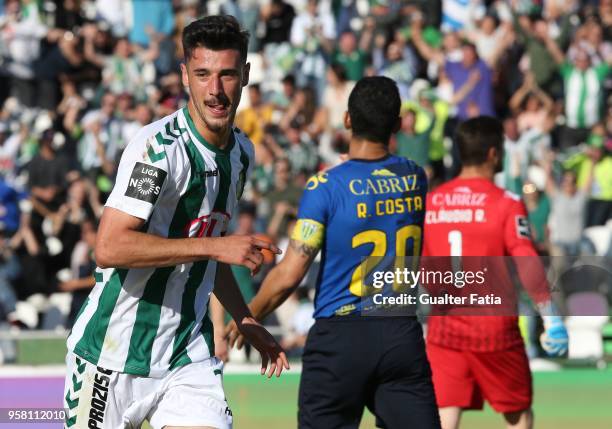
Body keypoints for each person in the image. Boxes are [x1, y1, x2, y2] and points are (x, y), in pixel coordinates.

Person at [63, 16, 288, 429]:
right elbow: (110, 247)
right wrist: (215, 246)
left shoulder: (242, 153)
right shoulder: (157, 149)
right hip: (111, 353)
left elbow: (209, 253)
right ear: (185, 76)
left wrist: (245, 319)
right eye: (202, 75)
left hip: (187, 355)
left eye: (227, 75)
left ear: (247, 76)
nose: (215, 90)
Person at [227, 76, 441, 429]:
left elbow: (290, 274)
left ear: (347, 121)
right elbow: (378, 181)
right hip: (400, 334)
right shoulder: (415, 178)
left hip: (342, 336)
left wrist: (248, 315)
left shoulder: (324, 186)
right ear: (399, 125)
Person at [422, 116, 569, 429]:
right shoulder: (505, 203)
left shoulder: (432, 203)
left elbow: (423, 267)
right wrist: (552, 317)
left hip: (444, 328)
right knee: (517, 413)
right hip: (493, 328)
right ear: (493, 153)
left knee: (445, 414)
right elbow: (526, 260)